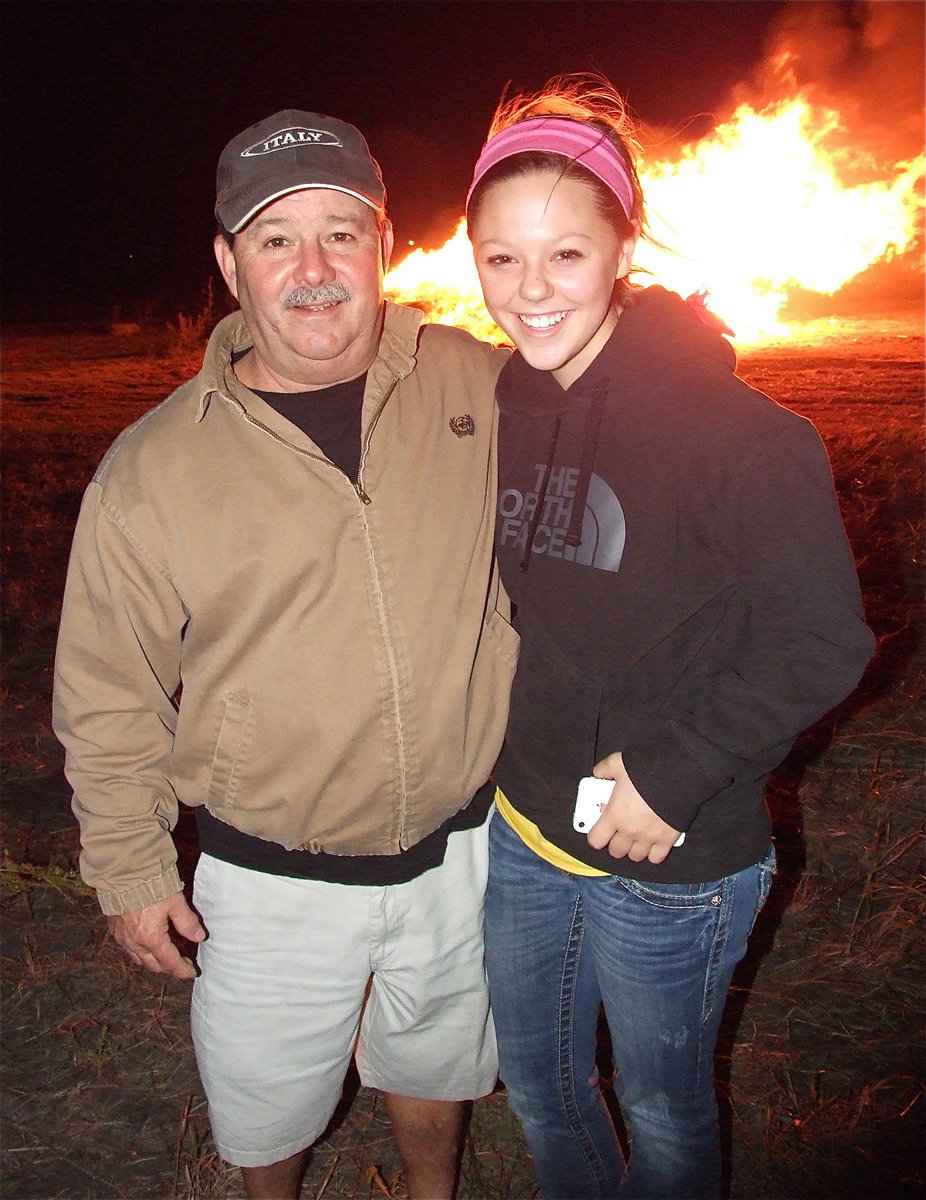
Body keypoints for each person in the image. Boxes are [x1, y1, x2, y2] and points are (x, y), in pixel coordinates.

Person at [52, 109, 518, 1200]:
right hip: (267, 880)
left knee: (436, 1065)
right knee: (267, 1106)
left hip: (464, 852)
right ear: (228, 265)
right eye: (273, 238)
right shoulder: (157, 466)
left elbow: (616, 404)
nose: (312, 270)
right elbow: (107, 688)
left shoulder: (477, 387)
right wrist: (126, 866)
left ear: (385, 246)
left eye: (339, 233)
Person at [465, 76, 876, 1200]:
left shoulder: (738, 436)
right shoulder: (506, 405)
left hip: (672, 854)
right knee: (541, 1091)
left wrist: (671, 772)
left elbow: (818, 638)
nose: (530, 290)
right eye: (500, 259)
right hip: (523, 829)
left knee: (660, 1105)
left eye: (563, 254)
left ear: (620, 246)